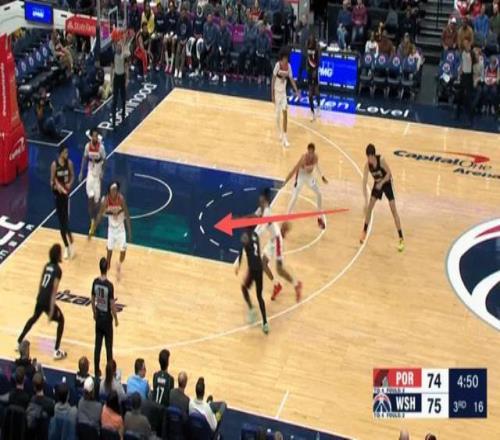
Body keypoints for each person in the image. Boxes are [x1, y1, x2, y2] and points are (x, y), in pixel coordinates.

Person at [17, 244, 67, 360]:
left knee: (34, 318)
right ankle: (56, 351)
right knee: (61, 320)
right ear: (58, 255)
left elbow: (41, 283)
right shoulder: (58, 270)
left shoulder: (47, 266)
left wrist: (39, 297)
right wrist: (51, 310)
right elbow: (54, 290)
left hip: (40, 297)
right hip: (48, 300)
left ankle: (19, 340)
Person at [360, 144, 404, 252]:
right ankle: (364, 231)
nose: (369, 160)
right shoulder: (367, 165)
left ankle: (401, 238)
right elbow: (364, 182)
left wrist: (382, 182)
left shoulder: (381, 160)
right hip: (378, 184)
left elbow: (389, 174)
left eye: (370, 157)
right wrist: (365, 201)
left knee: (393, 210)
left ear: (373, 155)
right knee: (369, 208)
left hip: (386, 183)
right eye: (367, 157)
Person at [91, 182, 132, 280]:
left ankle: (119, 264)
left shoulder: (121, 199)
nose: (114, 191)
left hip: (121, 230)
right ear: (109, 191)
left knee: (123, 252)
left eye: (115, 190)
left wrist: (129, 231)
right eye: (112, 190)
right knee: (109, 254)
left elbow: (127, 214)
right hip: (111, 230)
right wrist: (94, 227)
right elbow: (100, 214)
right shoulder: (106, 200)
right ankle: (105, 275)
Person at [285, 142, 328, 229]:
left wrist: (322, 176)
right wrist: (288, 179)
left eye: (312, 152)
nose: (310, 154)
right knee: (295, 197)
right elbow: (298, 169)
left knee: (319, 194)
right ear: (307, 151)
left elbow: (317, 167)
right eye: (309, 152)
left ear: (314, 152)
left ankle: (319, 217)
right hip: (301, 175)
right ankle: (286, 217)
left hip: (309, 177)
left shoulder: (315, 157)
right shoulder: (303, 157)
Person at [235, 227, 268, 333]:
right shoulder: (256, 236)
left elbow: (241, 251)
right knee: (259, 296)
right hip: (259, 268)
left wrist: (238, 265)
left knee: (244, 288)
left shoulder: (245, 237)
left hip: (253, 270)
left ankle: (252, 310)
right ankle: (265, 323)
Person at [91, 257, 118, 377]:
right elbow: (112, 304)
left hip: (99, 317)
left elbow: (92, 300)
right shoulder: (109, 285)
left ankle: (96, 370)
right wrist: (116, 318)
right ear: (107, 268)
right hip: (107, 318)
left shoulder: (95, 282)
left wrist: (94, 313)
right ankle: (110, 373)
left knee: (97, 346)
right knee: (108, 347)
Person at [79, 128, 106, 235]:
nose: (95, 137)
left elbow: (105, 159)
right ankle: (92, 221)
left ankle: (97, 213)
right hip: (90, 174)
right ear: (91, 136)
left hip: (97, 175)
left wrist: (103, 171)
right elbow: (84, 158)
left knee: (96, 202)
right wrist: (81, 172)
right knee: (90, 198)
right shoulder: (87, 146)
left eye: (96, 136)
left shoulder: (101, 147)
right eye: (93, 136)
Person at [272, 47, 300, 148]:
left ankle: (285, 138)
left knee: (285, 114)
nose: (286, 60)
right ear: (282, 58)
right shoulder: (277, 65)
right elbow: (273, 79)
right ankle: (279, 132)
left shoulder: (289, 66)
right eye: (285, 58)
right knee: (277, 116)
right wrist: (272, 94)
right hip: (277, 93)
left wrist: (297, 91)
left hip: (283, 93)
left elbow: (291, 79)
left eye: (287, 58)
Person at [50, 145, 75, 259]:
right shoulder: (54, 165)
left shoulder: (69, 163)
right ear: (60, 153)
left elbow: (72, 176)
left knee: (66, 222)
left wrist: (70, 183)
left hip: (66, 196)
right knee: (61, 224)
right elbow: (51, 181)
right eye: (65, 152)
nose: (67, 154)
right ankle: (66, 246)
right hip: (58, 196)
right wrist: (56, 187)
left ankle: (71, 244)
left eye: (67, 152)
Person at [110, 40, 129, 129]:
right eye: (117, 46)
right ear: (115, 47)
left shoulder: (124, 56)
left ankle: (123, 117)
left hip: (122, 77)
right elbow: (112, 68)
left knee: (123, 99)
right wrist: (111, 81)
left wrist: (127, 79)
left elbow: (126, 68)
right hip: (116, 78)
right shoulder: (113, 56)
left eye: (120, 46)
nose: (119, 47)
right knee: (115, 100)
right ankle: (113, 121)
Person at [455, 38, 474, 123]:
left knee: (468, 97)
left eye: (466, 43)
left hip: (470, 77)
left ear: (469, 44)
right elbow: (462, 64)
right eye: (464, 43)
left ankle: (470, 116)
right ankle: (457, 113)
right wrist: (459, 76)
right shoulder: (462, 53)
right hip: (463, 76)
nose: (465, 45)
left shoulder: (472, 53)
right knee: (459, 95)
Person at [174, 6, 192, 78]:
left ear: (186, 14)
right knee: (178, 51)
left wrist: (185, 41)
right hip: (180, 39)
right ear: (180, 13)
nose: (183, 14)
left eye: (184, 13)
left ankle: (180, 71)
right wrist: (180, 40)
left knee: (183, 53)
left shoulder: (188, 22)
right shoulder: (179, 21)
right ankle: (176, 69)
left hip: (186, 40)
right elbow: (177, 32)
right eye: (182, 12)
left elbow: (189, 33)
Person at [306, 35, 321, 121]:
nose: (311, 42)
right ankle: (312, 111)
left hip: (315, 72)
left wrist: (315, 70)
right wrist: (308, 69)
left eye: (312, 41)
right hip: (309, 72)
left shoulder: (317, 49)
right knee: (310, 93)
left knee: (317, 91)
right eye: (310, 41)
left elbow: (318, 61)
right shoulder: (307, 48)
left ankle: (318, 107)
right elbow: (307, 60)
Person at [187, 5, 205, 75]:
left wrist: (200, 35)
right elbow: (193, 28)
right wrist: (195, 35)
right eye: (198, 8)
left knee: (199, 44)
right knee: (189, 42)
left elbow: (204, 30)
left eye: (200, 8)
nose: (199, 9)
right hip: (195, 35)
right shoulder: (195, 17)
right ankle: (190, 64)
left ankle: (200, 65)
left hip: (201, 37)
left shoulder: (204, 18)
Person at [202, 14, 220, 81]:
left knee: (212, 55)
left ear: (212, 19)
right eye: (208, 18)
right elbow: (204, 36)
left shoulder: (215, 27)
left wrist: (210, 45)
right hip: (207, 44)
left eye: (210, 18)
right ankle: (202, 69)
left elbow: (215, 38)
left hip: (213, 45)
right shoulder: (205, 25)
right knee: (202, 53)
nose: (209, 19)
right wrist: (206, 44)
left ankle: (212, 72)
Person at [165, 0, 180, 74]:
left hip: (175, 33)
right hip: (169, 33)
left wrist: (172, 35)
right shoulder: (167, 15)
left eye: (172, 6)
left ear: (174, 7)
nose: (171, 8)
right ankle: (167, 64)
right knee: (164, 41)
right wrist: (168, 34)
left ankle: (171, 65)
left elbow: (177, 28)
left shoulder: (177, 15)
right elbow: (167, 26)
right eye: (170, 6)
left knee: (173, 43)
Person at [218, 17, 232, 83]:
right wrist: (220, 49)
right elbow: (218, 41)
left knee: (226, 55)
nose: (222, 24)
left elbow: (229, 44)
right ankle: (216, 73)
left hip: (226, 49)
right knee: (214, 53)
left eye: (223, 23)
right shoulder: (218, 31)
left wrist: (223, 50)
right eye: (221, 23)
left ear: (225, 23)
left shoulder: (228, 32)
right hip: (220, 49)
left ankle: (224, 74)